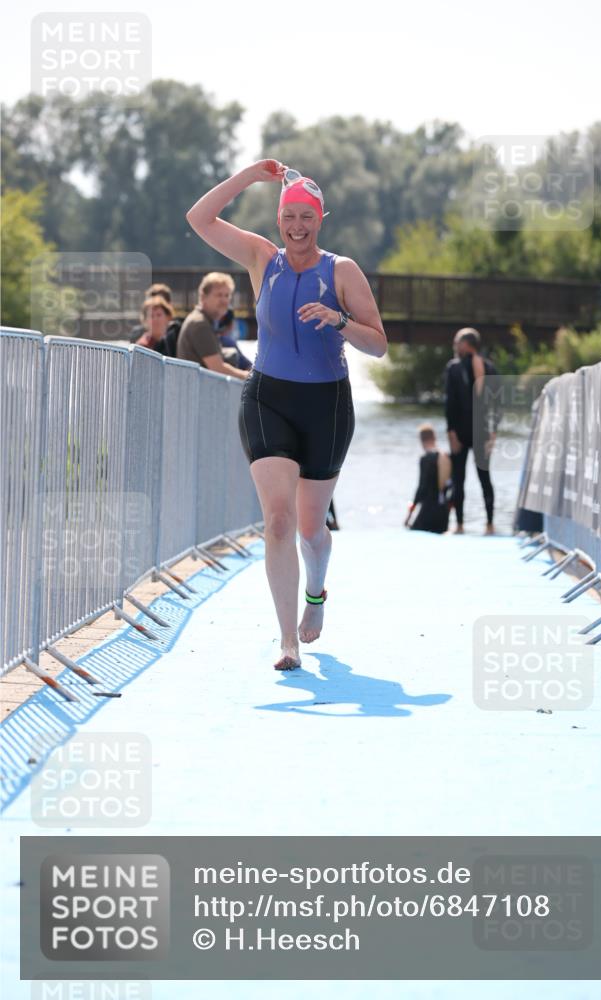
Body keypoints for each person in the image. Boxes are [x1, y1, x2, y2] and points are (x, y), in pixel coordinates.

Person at [186, 160, 387, 670]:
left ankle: (316, 595)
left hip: (326, 406)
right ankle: (286, 640)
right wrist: (248, 177)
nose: (297, 227)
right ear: (279, 220)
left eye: (307, 217)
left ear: (321, 219)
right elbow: (199, 218)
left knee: (310, 529)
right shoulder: (261, 257)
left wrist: (339, 320)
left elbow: (378, 345)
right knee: (278, 521)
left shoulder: (342, 271)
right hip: (267, 398)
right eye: (289, 217)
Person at [444, 327, 500, 535]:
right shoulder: (459, 368)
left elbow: (495, 403)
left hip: (473, 432)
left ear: (466, 344)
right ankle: (471, 525)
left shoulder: (482, 368)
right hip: (470, 432)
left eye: (457, 342)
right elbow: (450, 403)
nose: (454, 345)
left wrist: (492, 432)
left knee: (475, 478)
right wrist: (451, 432)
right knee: (467, 478)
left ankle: (479, 525)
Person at [176, 272, 249, 379]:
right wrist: (250, 378)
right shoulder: (200, 324)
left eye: (227, 295)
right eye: (219, 295)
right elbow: (218, 368)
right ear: (203, 297)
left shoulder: (202, 320)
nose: (224, 300)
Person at [404, 424, 452, 533]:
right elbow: (452, 487)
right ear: (434, 438)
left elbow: (422, 488)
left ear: (421, 440)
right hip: (443, 514)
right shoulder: (446, 457)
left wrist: (409, 515)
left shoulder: (425, 459)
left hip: (428, 512)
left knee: (412, 531)